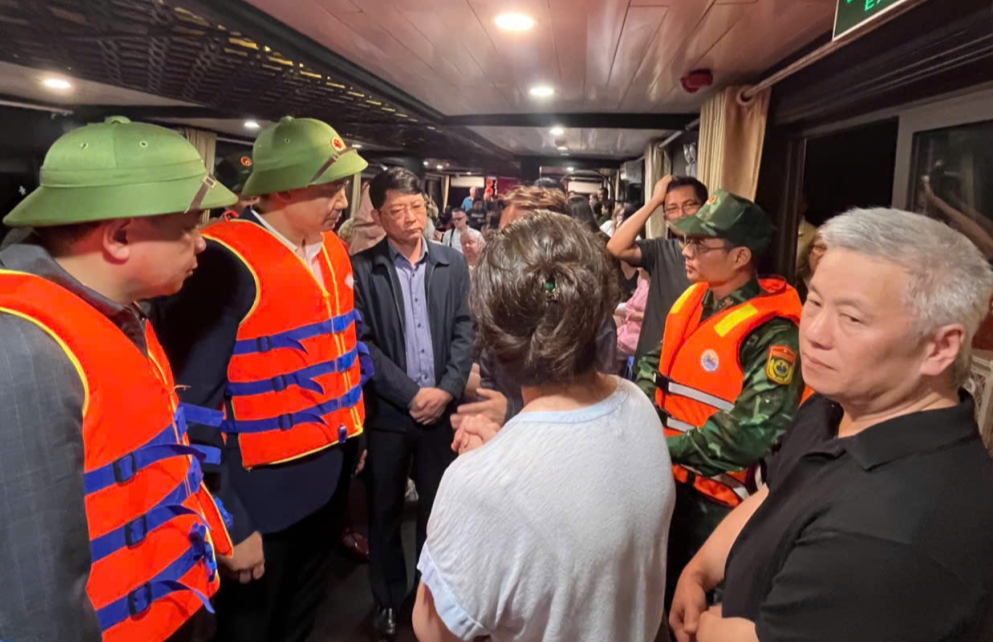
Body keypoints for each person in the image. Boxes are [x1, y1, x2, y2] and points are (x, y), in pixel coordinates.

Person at [670, 208, 993, 642]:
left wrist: (707, 625)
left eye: (851, 318)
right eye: (814, 302)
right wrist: (699, 571)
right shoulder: (835, 405)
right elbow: (779, 491)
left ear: (939, 348)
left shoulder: (893, 530)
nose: (814, 332)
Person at [0, 117, 236, 642]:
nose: (203, 243)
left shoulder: (118, 313)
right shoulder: (23, 351)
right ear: (121, 236)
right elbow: (34, 606)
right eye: (189, 226)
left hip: (174, 606)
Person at [151, 116, 371, 642]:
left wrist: (355, 436)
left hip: (329, 479)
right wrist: (229, 518)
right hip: (257, 498)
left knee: (301, 619)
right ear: (283, 189)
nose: (343, 202)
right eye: (330, 189)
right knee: (249, 630)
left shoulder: (333, 249)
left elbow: (343, 349)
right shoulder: (220, 262)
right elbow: (189, 407)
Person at [412, 212, 675, 642]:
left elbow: (432, 629)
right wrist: (504, 450)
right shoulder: (637, 405)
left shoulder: (479, 485)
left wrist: (482, 468)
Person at [636, 190, 804, 606]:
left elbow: (751, 432)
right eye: (685, 241)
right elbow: (654, 364)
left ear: (740, 256)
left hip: (719, 509)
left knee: (699, 611)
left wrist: (658, 447)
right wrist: (641, 417)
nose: (686, 252)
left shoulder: (774, 334)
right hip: (666, 485)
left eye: (699, 244)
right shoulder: (694, 301)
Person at [352, 167, 474, 641]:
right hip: (388, 413)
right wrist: (410, 394)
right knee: (383, 511)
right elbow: (362, 344)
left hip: (442, 412)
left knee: (438, 511)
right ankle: (386, 598)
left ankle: (428, 597)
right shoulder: (362, 269)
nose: (410, 218)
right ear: (378, 216)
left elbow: (465, 328)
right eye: (398, 210)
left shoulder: (452, 263)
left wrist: (447, 388)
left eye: (417, 207)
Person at [454, 185, 618, 426]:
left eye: (517, 235)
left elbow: (598, 409)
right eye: (503, 234)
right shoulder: (501, 300)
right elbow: (489, 376)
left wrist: (511, 412)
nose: (502, 247)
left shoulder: (589, 315)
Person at [607, 175, 708, 367]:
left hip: (695, 360)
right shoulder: (660, 250)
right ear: (665, 217)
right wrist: (654, 201)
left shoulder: (718, 254)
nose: (681, 214)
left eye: (689, 205)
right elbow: (616, 247)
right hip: (651, 363)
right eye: (672, 209)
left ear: (705, 208)